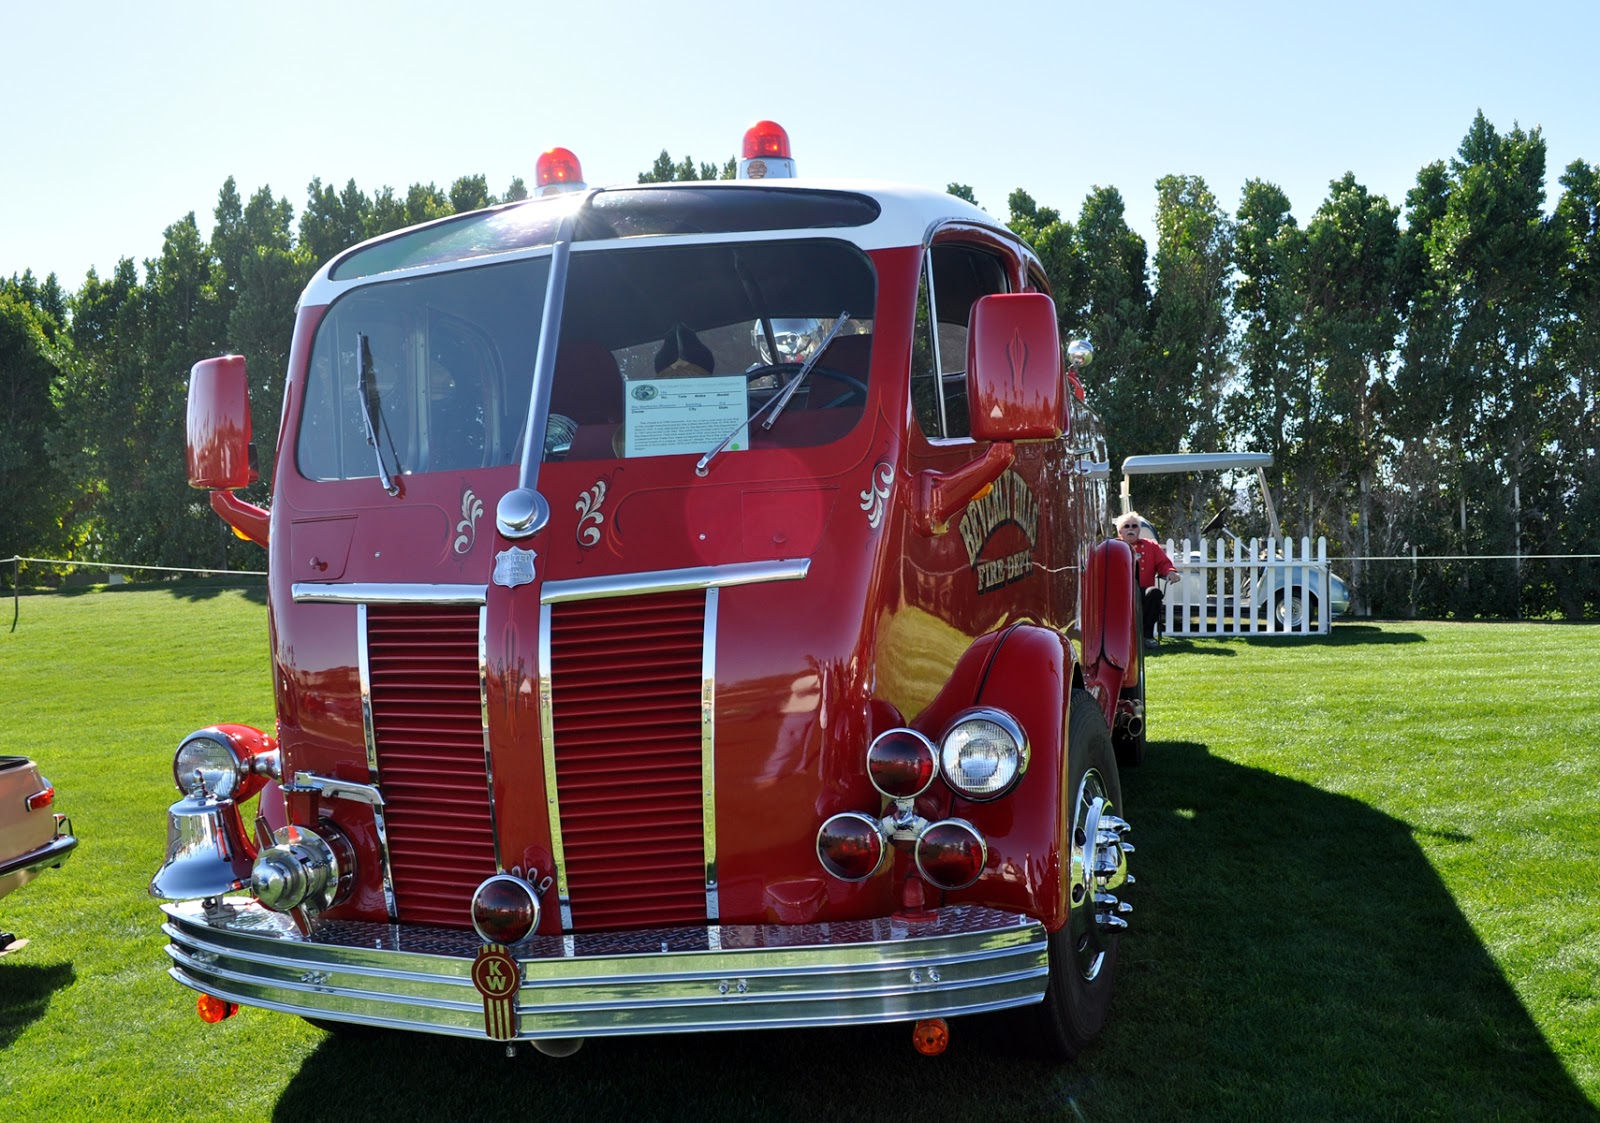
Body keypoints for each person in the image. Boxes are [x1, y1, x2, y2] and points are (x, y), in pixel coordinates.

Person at [1116, 511, 1180, 649]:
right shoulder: (1113, 546)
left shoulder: (1151, 546)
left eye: (1134, 526)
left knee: (1155, 593)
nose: (1131, 529)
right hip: (1119, 592)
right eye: (1126, 526)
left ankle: (1147, 636)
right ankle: (1117, 638)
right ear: (1120, 531)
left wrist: (1170, 572)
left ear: (1139, 530)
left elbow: (1163, 564)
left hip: (1144, 590)